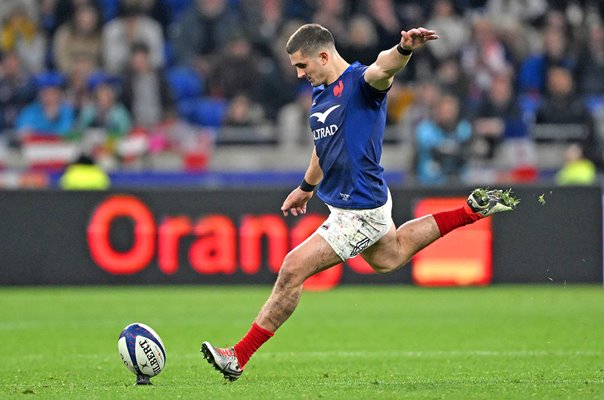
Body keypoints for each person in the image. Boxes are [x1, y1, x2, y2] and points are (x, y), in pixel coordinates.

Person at [200, 23, 519, 382]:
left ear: (323, 55)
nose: (299, 74)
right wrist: (306, 187)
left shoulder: (360, 84)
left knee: (292, 269)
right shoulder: (321, 97)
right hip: (358, 201)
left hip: (360, 208)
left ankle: (238, 356)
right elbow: (324, 149)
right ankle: (469, 211)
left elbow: (383, 68)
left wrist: (404, 50)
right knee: (390, 256)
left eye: (302, 65)